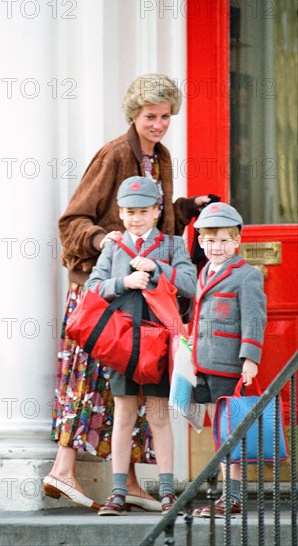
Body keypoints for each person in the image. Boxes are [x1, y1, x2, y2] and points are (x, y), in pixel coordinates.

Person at [44, 73, 210, 511]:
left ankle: (132, 485)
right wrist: (107, 242)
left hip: (145, 301)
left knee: (128, 392)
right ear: (134, 115)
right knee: (91, 384)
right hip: (102, 292)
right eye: (150, 116)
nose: (159, 124)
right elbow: (73, 222)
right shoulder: (114, 154)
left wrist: (187, 209)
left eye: (166, 116)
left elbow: (157, 222)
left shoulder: (161, 156)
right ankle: (63, 470)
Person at [84, 176, 197, 515]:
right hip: (122, 345)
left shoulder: (174, 245)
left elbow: (190, 285)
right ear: (120, 213)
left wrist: (157, 268)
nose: (136, 218)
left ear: (157, 212)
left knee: (160, 417)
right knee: (124, 415)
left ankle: (166, 492)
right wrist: (123, 282)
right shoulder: (114, 247)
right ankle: (117, 493)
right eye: (130, 212)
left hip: (160, 343)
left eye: (144, 211)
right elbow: (93, 287)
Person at [190, 202, 266, 518]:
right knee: (217, 433)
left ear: (236, 241)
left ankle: (232, 497)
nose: (215, 247)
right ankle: (224, 493)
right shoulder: (205, 271)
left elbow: (254, 318)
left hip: (229, 365)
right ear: (200, 242)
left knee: (229, 432)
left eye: (223, 240)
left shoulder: (246, 275)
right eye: (208, 240)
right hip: (203, 363)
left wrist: (250, 358)